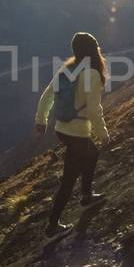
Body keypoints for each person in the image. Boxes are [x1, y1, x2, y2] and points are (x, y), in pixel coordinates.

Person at [34, 31, 110, 232]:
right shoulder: (92, 73)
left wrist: (41, 120)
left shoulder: (67, 69)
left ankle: (87, 195)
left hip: (62, 128)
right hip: (77, 131)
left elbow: (47, 95)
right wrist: (103, 134)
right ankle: (52, 226)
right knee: (69, 178)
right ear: (94, 50)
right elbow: (94, 110)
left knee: (92, 153)